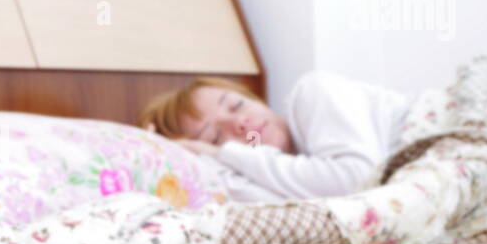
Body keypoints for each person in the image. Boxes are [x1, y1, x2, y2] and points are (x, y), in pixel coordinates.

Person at [138, 72, 411, 202]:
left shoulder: (313, 93)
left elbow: (357, 180)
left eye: (236, 105)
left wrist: (222, 151)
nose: (241, 123)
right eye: (215, 136)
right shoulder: (287, 181)